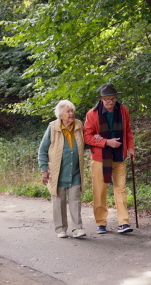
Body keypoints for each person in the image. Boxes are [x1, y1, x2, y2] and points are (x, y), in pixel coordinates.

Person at [84, 84, 135, 234]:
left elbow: (128, 130)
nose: (110, 102)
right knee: (100, 190)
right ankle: (101, 223)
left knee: (121, 189)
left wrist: (130, 148)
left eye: (112, 99)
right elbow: (87, 137)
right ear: (101, 99)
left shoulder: (123, 110)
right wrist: (106, 142)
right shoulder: (92, 114)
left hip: (119, 155)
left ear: (116, 98)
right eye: (106, 99)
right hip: (100, 157)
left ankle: (123, 223)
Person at [38, 100, 87, 238]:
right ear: (60, 115)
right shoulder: (52, 127)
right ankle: (60, 229)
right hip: (57, 171)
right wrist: (44, 169)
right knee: (58, 201)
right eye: (68, 111)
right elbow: (42, 149)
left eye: (72, 111)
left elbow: (85, 142)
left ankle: (78, 228)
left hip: (75, 170)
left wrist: (95, 138)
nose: (71, 114)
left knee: (75, 200)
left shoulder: (78, 124)